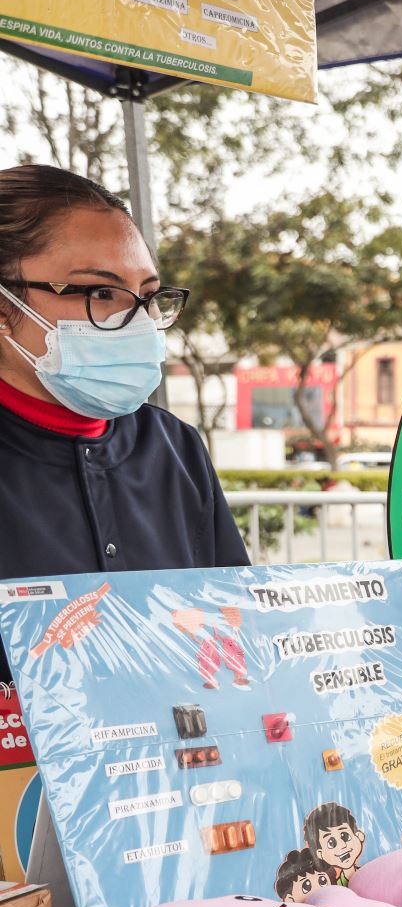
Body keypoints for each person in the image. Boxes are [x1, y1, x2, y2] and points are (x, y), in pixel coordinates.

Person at [0, 164, 247, 689]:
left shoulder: (173, 446)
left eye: (148, 296)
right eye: (100, 294)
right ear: (4, 306)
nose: (135, 322)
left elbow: (231, 626)